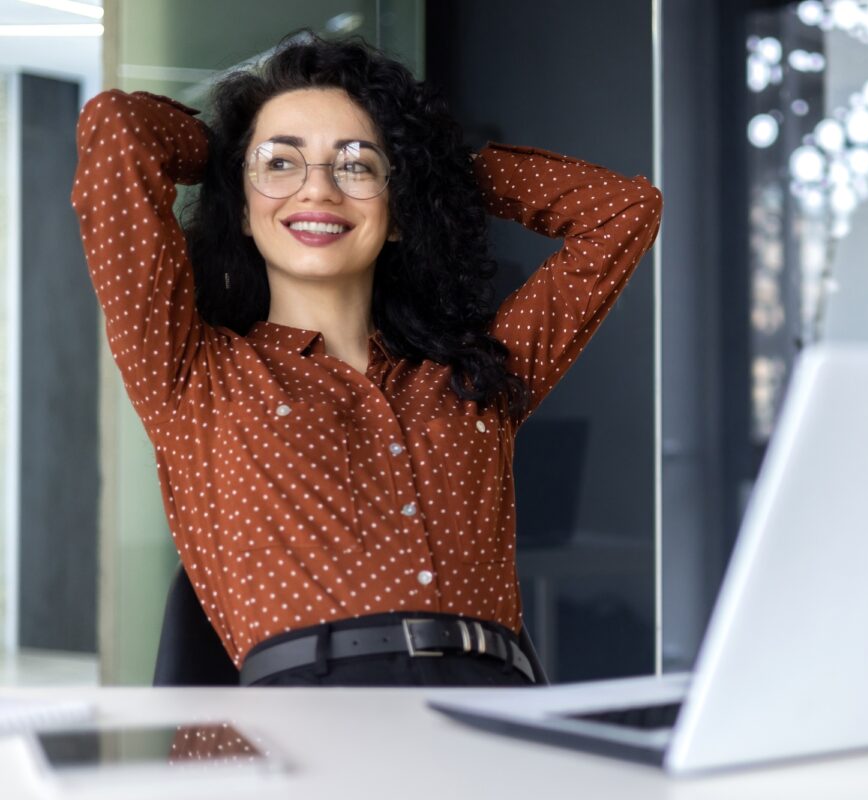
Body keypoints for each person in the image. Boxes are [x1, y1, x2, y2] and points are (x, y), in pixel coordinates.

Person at [70, 31, 663, 687]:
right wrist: (229, 157)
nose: (318, 191)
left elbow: (622, 213)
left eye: (354, 165)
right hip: (315, 716)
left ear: (401, 210)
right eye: (281, 164)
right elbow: (116, 129)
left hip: (496, 704)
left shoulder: (472, 378)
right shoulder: (195, 376)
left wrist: (431, 167)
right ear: (240, 207)